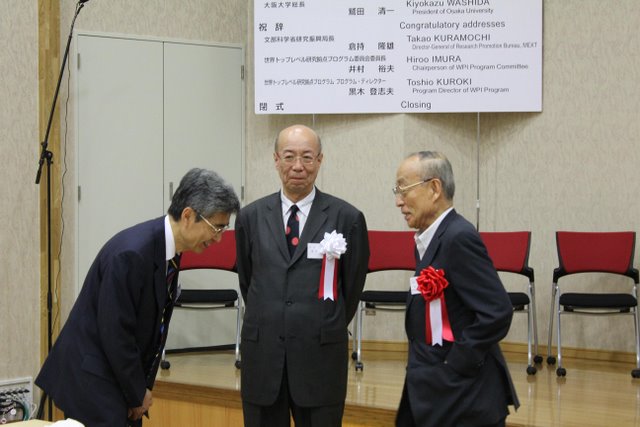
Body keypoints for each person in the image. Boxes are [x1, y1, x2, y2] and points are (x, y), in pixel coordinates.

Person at [35, 168, 240, 427]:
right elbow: (116, 333)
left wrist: (140, 389)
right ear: (188, 216)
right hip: (93, 378)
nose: (219, 239)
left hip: (117, 375)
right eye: (216, 228)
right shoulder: (132, 254)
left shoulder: (169, 250)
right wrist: (136, 392)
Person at [235, 124, 369, 427]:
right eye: (289, 156)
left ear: (320, 161)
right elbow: (248, 280)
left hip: (319, 357)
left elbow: (351, 288)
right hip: (264, 356)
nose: (298, 166)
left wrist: (322, 320)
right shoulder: (250, 217)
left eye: (307, 157)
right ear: (276, 160)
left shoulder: (347, 218)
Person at [393, 152, 519, 427]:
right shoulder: (431, 238)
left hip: (462, 396)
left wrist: (456, 362)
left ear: (434, 188)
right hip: (433, 388)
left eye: (404, 189)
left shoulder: (458, 237)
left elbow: (497, 311)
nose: (398, 201)